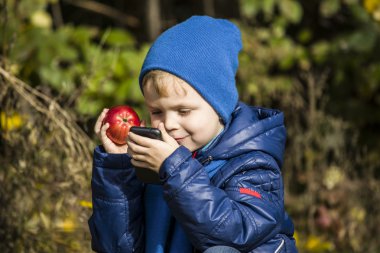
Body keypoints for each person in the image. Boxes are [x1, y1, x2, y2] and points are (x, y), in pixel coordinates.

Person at [88, 15, 298, 253]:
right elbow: (114, 247)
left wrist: (175, 169)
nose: (168, 123)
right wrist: (118, 167)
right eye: (157, 111)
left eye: (183, 111)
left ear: (220, 106)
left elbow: (236, 234)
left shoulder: (253, 164)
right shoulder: (154, 161)